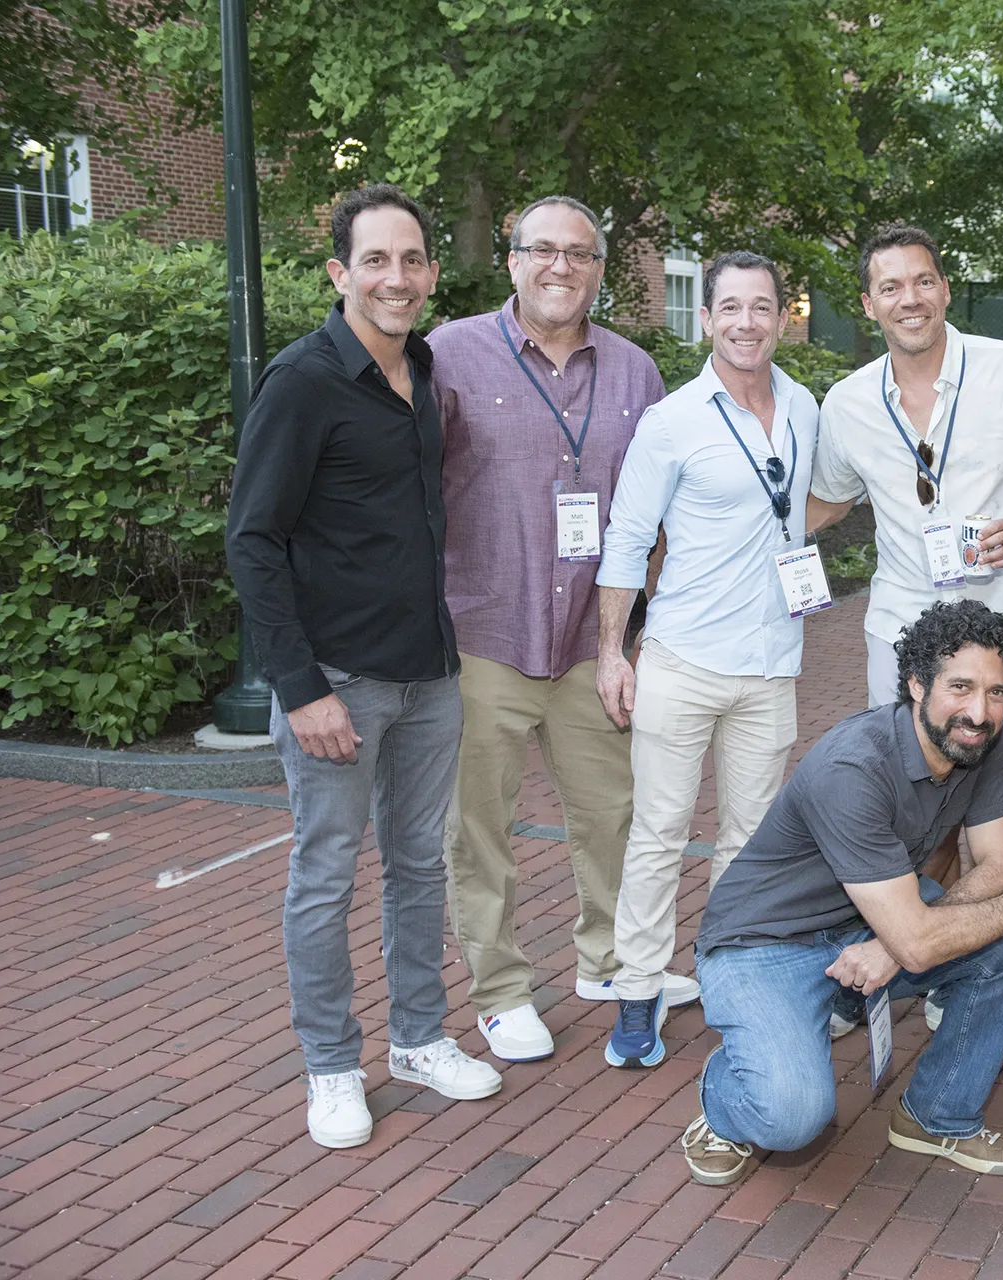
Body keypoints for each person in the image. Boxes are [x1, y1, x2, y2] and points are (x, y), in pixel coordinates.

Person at [679, 601, 1003, 1186]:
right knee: (793, 1117)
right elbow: (950, 927)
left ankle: (936, 1114)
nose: (979, 710)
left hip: (872, 916)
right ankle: (727, 1093)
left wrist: (892, 944)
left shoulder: (980, 741)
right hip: (762, 942)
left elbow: (1000, 868)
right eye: (961, 687)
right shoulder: (854, 767)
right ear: (917, 684)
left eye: (997, 692)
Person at [226, 184, 500, 1150]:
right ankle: (332, 1066)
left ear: (431, 272)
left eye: (412, 259)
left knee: (420, 864)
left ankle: (419, 1039)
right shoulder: (303, 382)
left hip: (429, 673)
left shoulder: (422, 371)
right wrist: (300, 690)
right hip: (337, 682)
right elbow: (252, 541)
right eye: (375, 260)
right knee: (325, 873)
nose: (397, 277)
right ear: (340, 272)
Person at [427, 195, 673, 1064]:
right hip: (481, 634)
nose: (560, 267)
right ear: (513, 260)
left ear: (601, 269)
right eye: (543, 250)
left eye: (580, 253)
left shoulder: (637, 371)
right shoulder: (449, 354)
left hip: (588, 644)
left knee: (615, 815)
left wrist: (641, 629)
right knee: (480, 830)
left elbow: (657, 511)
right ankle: (497, 992)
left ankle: (606, 960)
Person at [593, 251, 821, 1069]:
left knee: (750, 841)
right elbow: (625, 539)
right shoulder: (673, 420)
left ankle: (727, 974)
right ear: (707, 319)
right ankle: (636, 991)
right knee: (657, 834)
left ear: (781, 318)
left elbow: (806, 504)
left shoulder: (804, 406)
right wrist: (612, 652)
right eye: (731, 307)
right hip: (682, 660)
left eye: (763, 307)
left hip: (772, 663)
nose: (747, 322)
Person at [808, 223, 1003, 734]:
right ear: (868, 303)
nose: (910, 300)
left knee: (984, 783)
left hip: (999, 619)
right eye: (890, 287)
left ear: (945, 288)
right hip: (897, 621)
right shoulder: (847, 402)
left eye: (923, 282)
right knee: (903, 782)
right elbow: (827, 502)